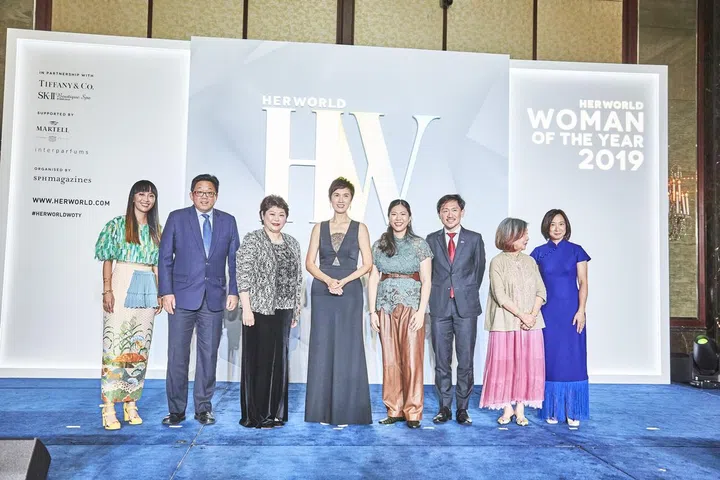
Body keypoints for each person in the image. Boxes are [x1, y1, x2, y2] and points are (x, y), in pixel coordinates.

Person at [159, 174, 240, 426]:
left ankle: (203, 408)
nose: (204, 196)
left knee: (208, 355)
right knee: (177, 355)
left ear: (216, 196)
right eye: (200, 192)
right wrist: (166, 292)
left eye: (209, 192)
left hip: (214, 298)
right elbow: (165, 258)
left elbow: (235, 261)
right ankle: (176, 410)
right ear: (191, 194)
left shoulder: (228, 221)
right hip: (181, 297)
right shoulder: (177, 218)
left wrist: (234, 291)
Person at [304, 178, 373, 426]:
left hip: (350, 291)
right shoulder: (319, 228)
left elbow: (367, 264)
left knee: (348, 347)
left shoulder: (360, 228)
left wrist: (343, 281)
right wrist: (328, 280)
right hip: (323, 292)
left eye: (345, 195)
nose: (341, 200)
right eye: (337, 195)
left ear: (351, 199)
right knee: (322, 345)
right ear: (330, 198)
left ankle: (348, 411)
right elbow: (309, 262)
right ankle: (320, 412)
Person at [95, 180, 163, 430]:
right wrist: (107, 290)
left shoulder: (157, 230)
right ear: (133, 197)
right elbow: (107, 259)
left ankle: (131, 402)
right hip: (122, 280)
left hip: (148, 284)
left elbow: (158, 264)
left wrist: (160, 292)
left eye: (151, 195)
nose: (146, 199)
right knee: (115, 345)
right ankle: (109, 407)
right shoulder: (116, 225)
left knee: (139, 346)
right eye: (142, 194)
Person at [236, 195, 303, 428]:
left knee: (279, 362)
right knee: (260, 362)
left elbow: (297, 279)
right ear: (262, 216)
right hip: (258, 309)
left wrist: (295, 310)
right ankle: (257, 415)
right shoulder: (253, 239)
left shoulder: (292, 242)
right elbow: (243, 275)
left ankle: (275, 413)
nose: (276, 219)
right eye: (272, 214)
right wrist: (246, 308)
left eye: (281, 215)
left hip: (284, 310)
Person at [368, 199, 433, 429]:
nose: (398, 218)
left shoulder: (419, 245)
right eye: (394, 214)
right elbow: (373, 278)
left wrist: (421, 311)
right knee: (390, 360)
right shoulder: (379, 245)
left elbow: (426, 280)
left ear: (410, 217)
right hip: (385, 306)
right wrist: (372, 311)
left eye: (403, 214)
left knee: (412, 359)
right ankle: (394, 409)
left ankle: (413, 411)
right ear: (388, 217)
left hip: (412, 306)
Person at [480, 218, 546, 426]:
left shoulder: (530, 261)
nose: (527, 238)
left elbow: (541, 290)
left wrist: (532, 315)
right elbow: (499, 295)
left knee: (526, 366)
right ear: (510, 235)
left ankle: (521, 407)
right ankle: (507, 407)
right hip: (505, 323)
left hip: (531, 324)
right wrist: (522, 316)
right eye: (524, 234)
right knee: (506, 366)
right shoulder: (497, 262)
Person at [426, 194, 486, 425]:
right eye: (444, 210)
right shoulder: (431, 240)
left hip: (466, 307)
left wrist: (463, 292)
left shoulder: (474, 239)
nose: (449, 214)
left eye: (453, 210)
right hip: (439, 307)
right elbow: (428, 273)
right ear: (439, 214)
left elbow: (478, 271)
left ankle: (462, 408)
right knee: (442, 360)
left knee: (465, 361)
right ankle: (444, 407)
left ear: (462, 212)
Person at [530, 209, 590, 427]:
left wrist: (581, 310)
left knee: (574, 359)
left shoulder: (577, 251)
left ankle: (573, 410)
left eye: (561, 224)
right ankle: (552, 409)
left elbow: (583, 282)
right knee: (550, 360)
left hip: (572, 313)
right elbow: (532, 286)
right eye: (553, 224)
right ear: (546, 227)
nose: (557, 228)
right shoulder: (538, 253)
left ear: (567, 227)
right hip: (547, 313)